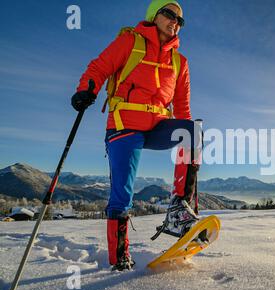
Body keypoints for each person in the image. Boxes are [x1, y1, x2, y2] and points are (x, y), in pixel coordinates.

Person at [71, 0, 202, 271]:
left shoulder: (180, 62)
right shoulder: (131, 42)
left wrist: (189, 143)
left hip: (157, 126)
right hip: (124, 125)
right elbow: (100, 67)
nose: (175, 22)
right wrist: (87, 89)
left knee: (192, 131)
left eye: (180, 20)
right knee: (123, 195)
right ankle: (120, 258)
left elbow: (183, 108)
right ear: (154, 15)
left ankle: (180, 209)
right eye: (169, 14)